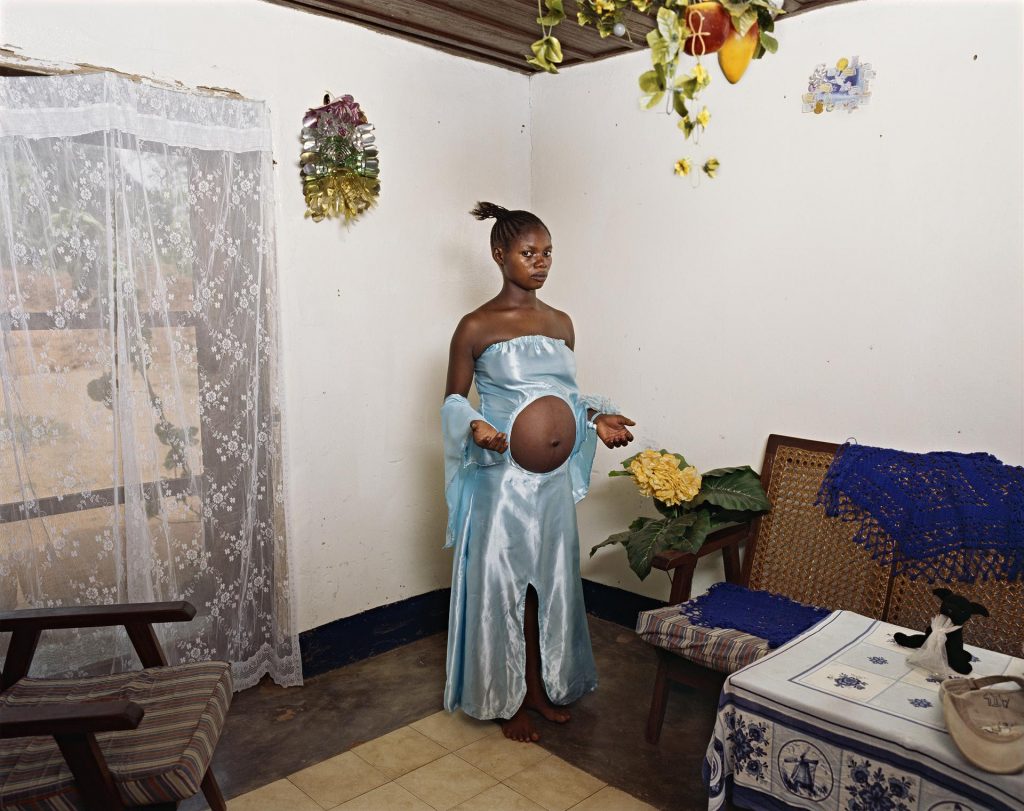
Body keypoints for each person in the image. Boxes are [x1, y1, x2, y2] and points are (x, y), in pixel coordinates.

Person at [441, 201, 635, 743]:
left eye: (547, 253)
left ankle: (541, 687)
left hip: (548, 486)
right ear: (499, 254)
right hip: (502, 483)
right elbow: (453, 401)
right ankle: (507, 699)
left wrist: (597, 418)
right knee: (504, 591)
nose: (541, 263)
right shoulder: (476, 325)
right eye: (529, 253)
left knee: (547, 590)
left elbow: (566, 399)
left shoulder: (561, 323)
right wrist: (476, 426)